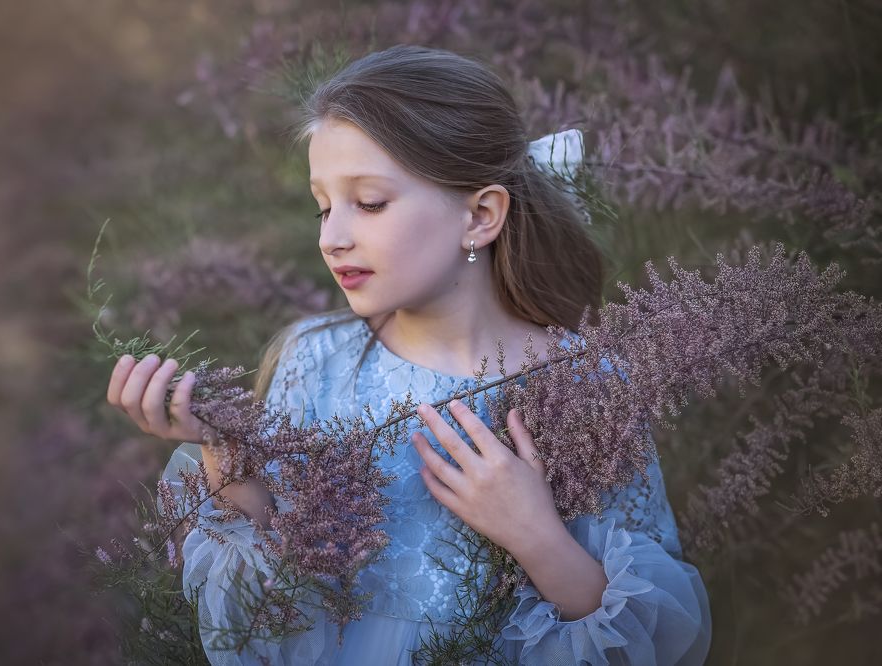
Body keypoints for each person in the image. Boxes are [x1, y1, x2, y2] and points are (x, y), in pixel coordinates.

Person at [107, 44, 711, 665]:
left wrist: (535, 535)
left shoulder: (582, 384)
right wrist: (227, 455)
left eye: (369, 202)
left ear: (480, 216)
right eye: (323, 207)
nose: (332, 237)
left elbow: (648, 636)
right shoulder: (315, 361)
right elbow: (278, 606)